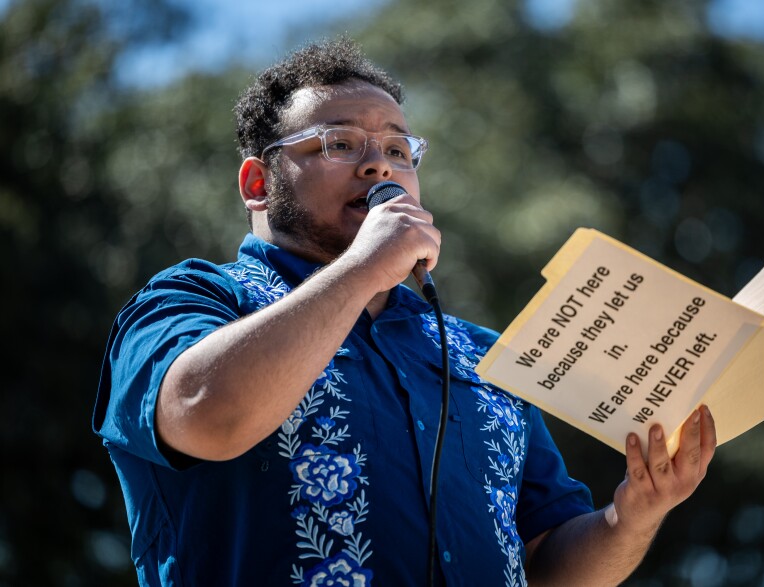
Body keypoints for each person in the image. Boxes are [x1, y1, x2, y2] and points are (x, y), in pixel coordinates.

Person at [93, 37, 716, 586]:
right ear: (258, 183)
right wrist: (365, 266)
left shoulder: (482, 354)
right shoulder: (193, 301)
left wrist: (633, 516)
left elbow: (545, 563)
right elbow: (205, 415)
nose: (379, 164)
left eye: (399, 150)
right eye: (339, 143)